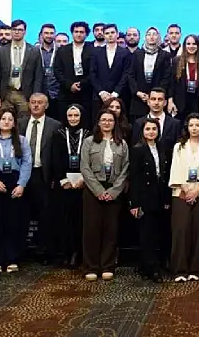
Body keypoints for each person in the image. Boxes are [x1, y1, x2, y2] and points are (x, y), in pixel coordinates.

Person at [80, 109, 129, 281]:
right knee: (91, 229)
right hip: (93, 189)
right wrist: (99, 191)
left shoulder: (122, 144)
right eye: (104, 120)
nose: (107, 123)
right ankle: (91, 266)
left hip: (114, 190)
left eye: (110, 120)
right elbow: (84, 167)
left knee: (111, 229)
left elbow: (125, 169)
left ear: (115, 123)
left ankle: (108, 265)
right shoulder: (89, 142)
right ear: (99, 122)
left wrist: (114, 191)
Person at [168, 113, 199, 282]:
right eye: (191, 125)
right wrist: (185, 188)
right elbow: (175, 169)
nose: (194, 128)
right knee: (181, 231)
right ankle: (180, 270)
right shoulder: (179, 147)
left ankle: (195, 269)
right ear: (187, 127)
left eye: (197, 125)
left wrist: (196, 190)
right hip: (181, 192)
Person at [0, 108, 32, 273]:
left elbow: (27, 163)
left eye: (10, 119)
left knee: (14, 222)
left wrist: (21, 184)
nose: (6, 122)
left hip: (15, 181)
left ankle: (12, 258)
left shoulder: (21, 140)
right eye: (3, 119)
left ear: (14, 123)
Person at [18, 93, 62, 264]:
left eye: (40, 103)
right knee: (21, 213)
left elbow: (57, 154)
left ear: (47, 105)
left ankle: (43, 251)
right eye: (33, 102)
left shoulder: (55, 125)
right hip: (22, 174)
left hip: (43, 174)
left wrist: (55, 177)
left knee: (45, 214)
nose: (36, 105)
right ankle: (20, 251)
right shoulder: (20, 123)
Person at [129, 118, 171, 283]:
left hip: (160, 196)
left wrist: (167, 198)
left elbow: (165, 175)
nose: (151, 132)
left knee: (159, 233)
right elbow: (134, 178)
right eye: (148, 129)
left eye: (154, 129)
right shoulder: (137, 150)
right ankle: (151, 268)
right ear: (142, 131)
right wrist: (134, 203)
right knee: (146, 235)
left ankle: (153, 265)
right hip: (144, 198)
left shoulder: (163, 148)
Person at [50, 104, 89, 268]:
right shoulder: (58, 134)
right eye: (70, 116)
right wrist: (62, 179)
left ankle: (78, 253)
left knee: (80, 220)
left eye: (76, 115)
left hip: (83, 183)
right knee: (64, 219)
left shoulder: (88, 134)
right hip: (64, 184)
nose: (73, 119)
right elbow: (54, 158)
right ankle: (65, 252)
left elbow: (90, 160)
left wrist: (84, 179)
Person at [0, 20, 44, 116]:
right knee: (5, 120)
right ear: (11, 31)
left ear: (25, 32)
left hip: (25, 94)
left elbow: (38, 76)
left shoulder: (34, 51)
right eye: (14, 29)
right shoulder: (2, 51)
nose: (17, 32)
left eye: (20, 30)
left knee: (24, 120)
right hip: (6, 93)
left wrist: (35, 96)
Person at [127, 27, 172, 121]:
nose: (151, 37)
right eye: (149, 34)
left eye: (154, 34)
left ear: (158, 37)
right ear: (145, 37)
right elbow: (131, 75)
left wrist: (154, 95)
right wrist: (137, 92)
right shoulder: (137, 54)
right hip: (139, 98)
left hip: (157, 99)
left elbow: (166, 77)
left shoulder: (165, 55)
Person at [167, 35, 199, 122]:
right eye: (188, 44)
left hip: (198, 103)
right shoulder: (176, 61)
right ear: (184, 46)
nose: (191, 46)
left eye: (194, 44)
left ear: (198, 46)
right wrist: (170, 101)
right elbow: (172, 83)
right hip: (180, 103)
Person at [54, 21, 94, 117]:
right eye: (76, 32)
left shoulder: (93, 50)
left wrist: (82, 84)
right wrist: (69, 85)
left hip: (86, 92)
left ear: (86, 34)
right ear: (72, 33)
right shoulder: (62, 50)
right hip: (66, 92)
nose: (78, 34)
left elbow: (94, 71)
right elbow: (57, 70)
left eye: (81, 32)